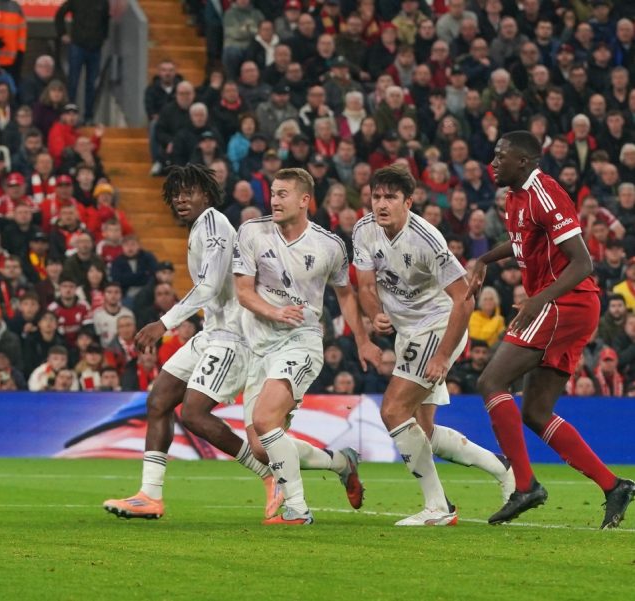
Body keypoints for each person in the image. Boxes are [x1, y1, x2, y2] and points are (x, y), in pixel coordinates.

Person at [103, 165, 362, 522]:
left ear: (207, 195)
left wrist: (163, 323)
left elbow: (210, 286)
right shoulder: (202, 226)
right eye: (175, 192)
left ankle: (268, 475)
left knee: (198, 414)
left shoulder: (214, 226)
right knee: (159, 399)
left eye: (189, 191)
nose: (180, 198)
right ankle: (150, 495)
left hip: (233, 337)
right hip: (212, 331)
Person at [468, 131, 634, 527]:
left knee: (491, 382)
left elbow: (582, 263)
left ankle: (524, 485)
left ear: (523, 161)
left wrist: (538, 300)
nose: (493, 162)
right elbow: (520, 242)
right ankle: (614, 486)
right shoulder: (514, 197)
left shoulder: (545, 192)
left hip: (568, 302)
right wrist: (484, 260)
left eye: (500, 156)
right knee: (537, 412)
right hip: (565, 306)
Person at [354, 164, 515, 526]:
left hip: (440, 325)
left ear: (408, 202)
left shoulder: (427, 240)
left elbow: (464, 300)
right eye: (376, 196)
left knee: (393, 410)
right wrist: (375, 314)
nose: (381, 204)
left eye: (390, 197)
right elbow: (365, 286)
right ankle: (503, 468)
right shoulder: (364, 231)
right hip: (407, 330)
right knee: (421, 430)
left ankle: (438, 507)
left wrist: (442, 356)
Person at [233, 168, 377, 526]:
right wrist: (274, 311)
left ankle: (297, 510)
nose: (274, 200)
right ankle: (341, 463)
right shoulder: (252, 232)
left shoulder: (329, 245)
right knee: (262, 447)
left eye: (283, 194)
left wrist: (362, 340)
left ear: (304, 200)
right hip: (259, 346)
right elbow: (243, 291)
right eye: (273, 193)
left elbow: (346, 295)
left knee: (265, 419)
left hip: (302, 340)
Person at [54, 0, 111, 123]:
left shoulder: (103, 2)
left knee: (92, 84)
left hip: (95, 48)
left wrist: (102, 38)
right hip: (77, 46)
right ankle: (70, 114)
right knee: (73, 82)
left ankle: (88, 117)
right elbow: (59, 14)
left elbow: (106, 21)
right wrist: (62, 33)